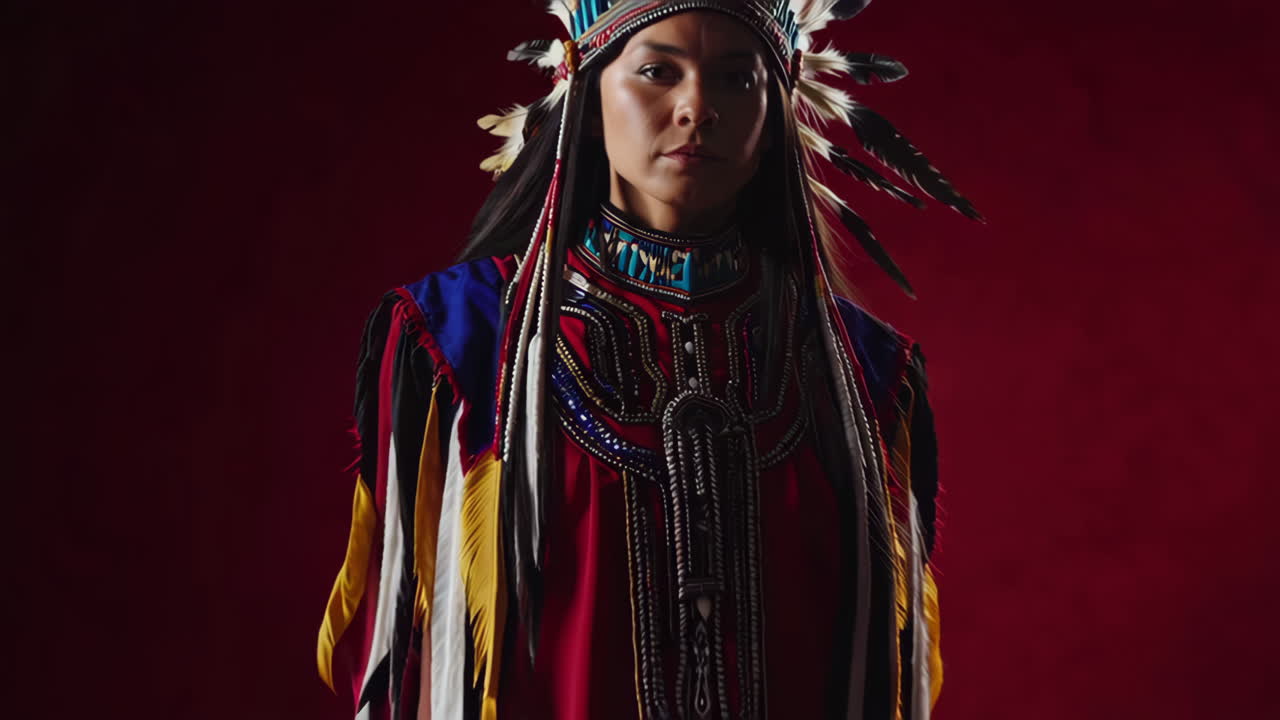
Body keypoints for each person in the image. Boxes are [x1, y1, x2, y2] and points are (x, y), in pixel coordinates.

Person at [316, 2, 979, 719]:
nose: (697, 108)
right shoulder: (458, 343)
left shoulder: (870, 375)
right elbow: (408, 656)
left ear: (776, 117)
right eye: (659, 72)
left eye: (737, 79)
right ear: (587, 100)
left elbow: (884, 673)